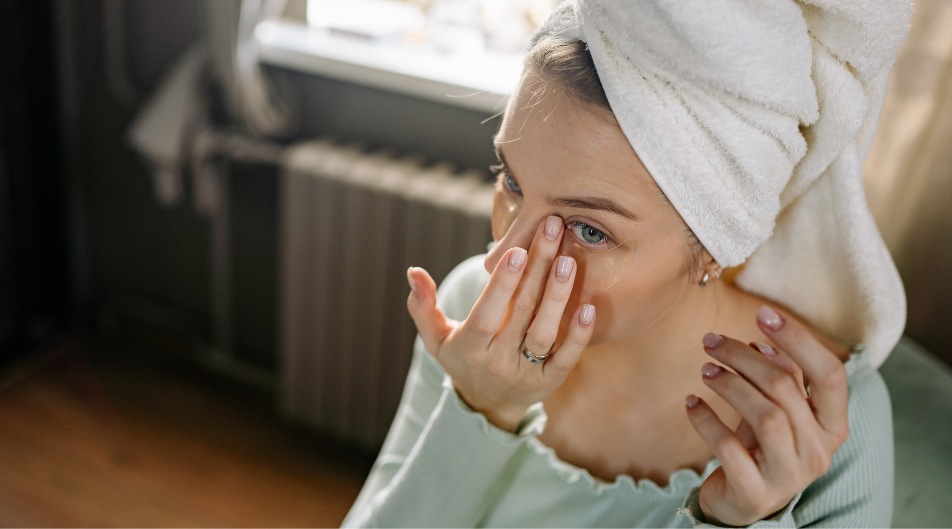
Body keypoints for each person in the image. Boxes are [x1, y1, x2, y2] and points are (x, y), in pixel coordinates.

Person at [343, 1, 909, 526]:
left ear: (714, 246)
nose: (501, 264)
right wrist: (480, 409)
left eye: (590, 230)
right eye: (512, 182)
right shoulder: (473, 312)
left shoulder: (822, 421)